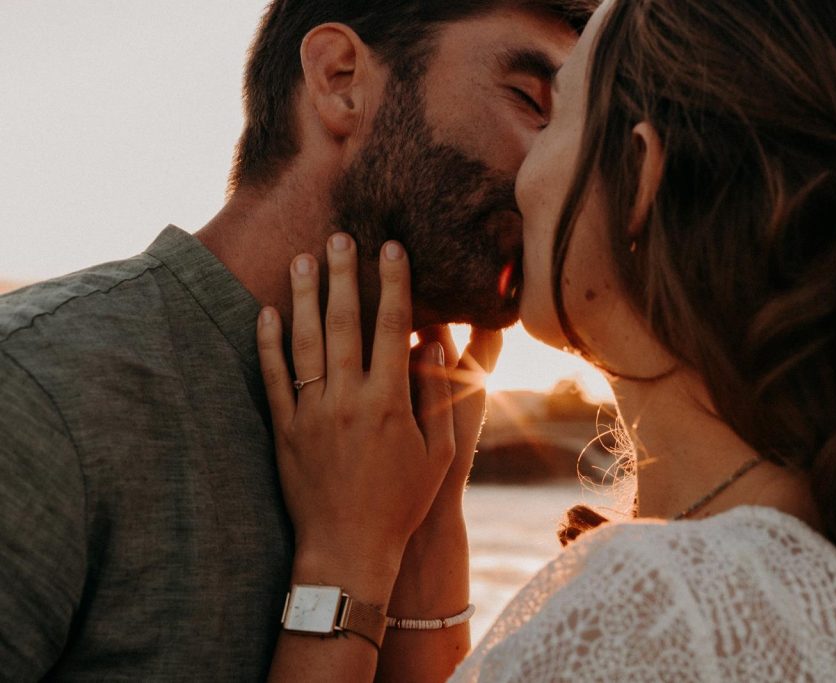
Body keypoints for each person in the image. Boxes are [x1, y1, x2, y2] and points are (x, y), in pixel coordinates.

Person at [257, 0, 836, 680]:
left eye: (553, 115)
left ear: (643, 174)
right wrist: (428, 555)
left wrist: (344, 561)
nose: (521, 168)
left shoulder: (662, 607)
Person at [0, 1, 596, 678]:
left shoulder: (414, 454)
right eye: (531, 102)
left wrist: (427, 535)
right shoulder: (35, 395)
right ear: (341, 78)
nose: (560, 175)